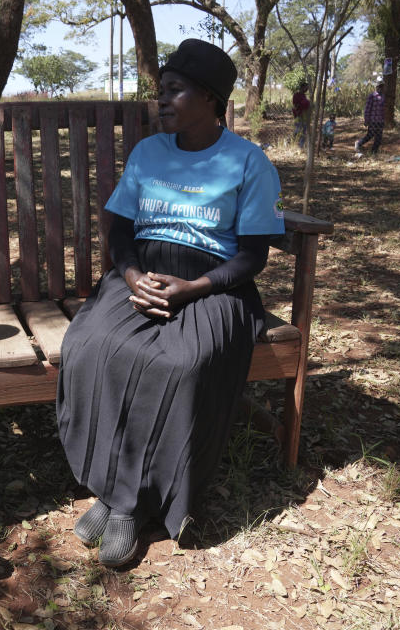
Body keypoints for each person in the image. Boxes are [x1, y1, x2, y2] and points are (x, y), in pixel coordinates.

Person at [56, 39, 285, 567]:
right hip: (142, 273)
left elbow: (253, 256)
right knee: (92, 343)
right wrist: (132, 275)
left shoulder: (248, 162)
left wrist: (191, 290)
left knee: (180, 363)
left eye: (174, 91)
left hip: (213, 284)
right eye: (161, 91)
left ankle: (133, 505)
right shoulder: (147, 153)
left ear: (209, 98)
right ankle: (113, 489)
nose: (161, 101)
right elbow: (122, 232)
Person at [355, 82, 385, 154]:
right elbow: (367, 109)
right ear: (377, 87)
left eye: (382, 87)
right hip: (373, 120)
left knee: (379, 138)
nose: (381, 88)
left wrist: (384, 120)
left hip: (380, 121)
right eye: (379, 87)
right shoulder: (372, 96)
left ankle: (374, 152)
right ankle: (358, 143)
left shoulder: (383, 96)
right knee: (370, 135)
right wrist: (366, 120)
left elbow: (384, 109)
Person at [291, 81, 311, 149]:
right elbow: (295, 106)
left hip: (304, 116)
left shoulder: (304, 96)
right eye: (306, 88)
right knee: (297, 131)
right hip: (299, 115)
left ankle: (301, 146)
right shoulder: (296, 95)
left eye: (307, 88)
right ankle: (292, 142)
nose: (307, 89)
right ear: (302, 87)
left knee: (303, 132)